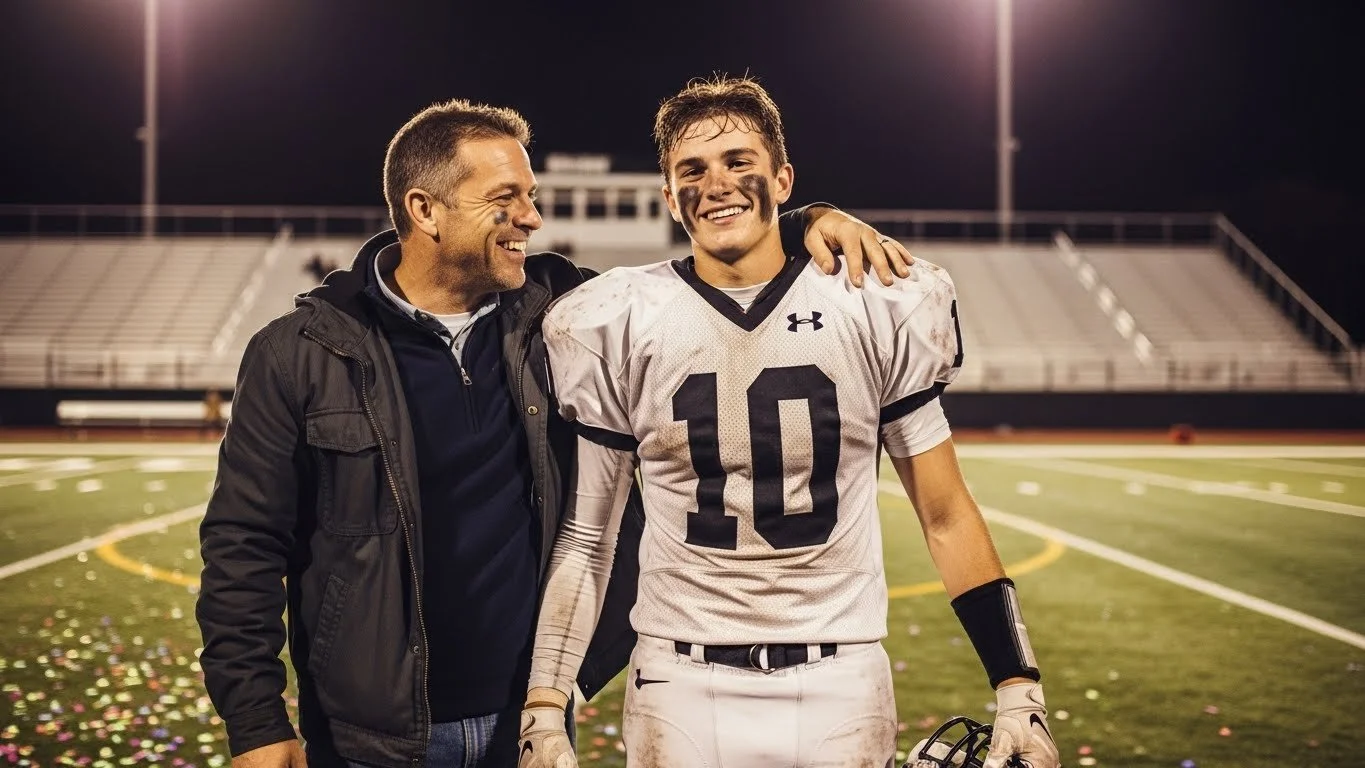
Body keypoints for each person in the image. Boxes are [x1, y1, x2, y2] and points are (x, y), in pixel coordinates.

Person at [195, 96, 913, 768]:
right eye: (505, 199)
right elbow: (243, 547)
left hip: (532, 719)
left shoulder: (563, 312)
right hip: (371, 736)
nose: (531, 219)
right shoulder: (300, 351)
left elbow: (715, 256)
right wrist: (257, 724)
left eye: (530, 197)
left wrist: (804, 218)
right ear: (425, 210)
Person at [517, 76, 1062, 768]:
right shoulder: (619, 318)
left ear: (782, 178)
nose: (716, 183)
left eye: (739, 161)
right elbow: (587, 536)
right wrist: (543, 704)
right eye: (692, 170)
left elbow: (944, 511)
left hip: (840, 676)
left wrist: (1018, 687)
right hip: (678, 681)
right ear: (668, 197)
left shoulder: (872, 299)